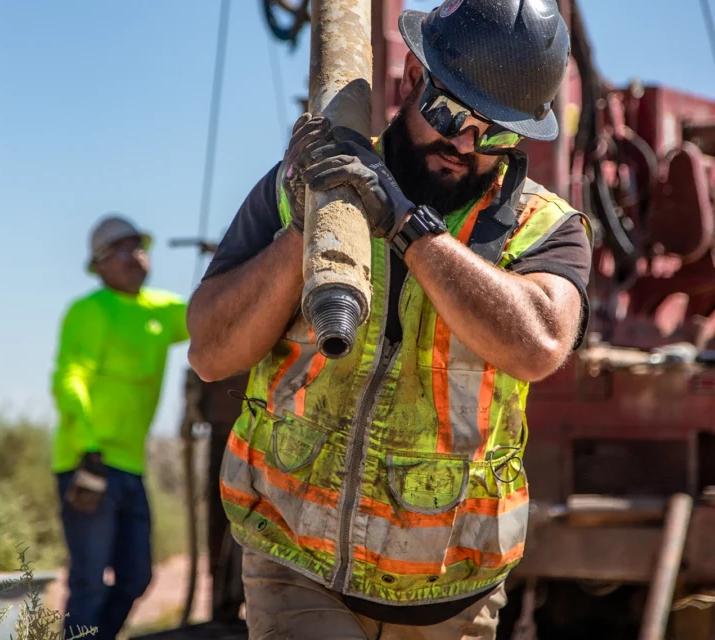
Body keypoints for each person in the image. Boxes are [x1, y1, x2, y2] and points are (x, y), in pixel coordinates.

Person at [187, 0, 592, 637]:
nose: (466, 144)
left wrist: (407, 225)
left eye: (498, 132)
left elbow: (540, 344)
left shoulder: (547, 231)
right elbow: (210, 351)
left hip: (454, 596)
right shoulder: (307, 186)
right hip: (296, 564)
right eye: (451, 113)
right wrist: (312, 225)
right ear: (410, 79)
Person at [52, 215, 189, 639]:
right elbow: (69, 379)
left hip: (131, 467)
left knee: (136, 577)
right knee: (89, 581)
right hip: (88, 462)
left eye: (139, 246)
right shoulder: (90, 311)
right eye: (122, 249)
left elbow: (212, 315)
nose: (136, 256)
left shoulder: (163, 311)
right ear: (99, 264)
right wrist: (89, 449)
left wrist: (232, 258)